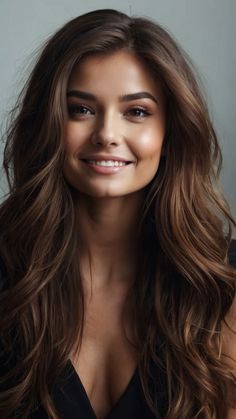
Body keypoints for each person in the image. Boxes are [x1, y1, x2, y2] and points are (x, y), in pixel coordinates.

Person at [0, 8, 235, 419]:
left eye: (137, 112)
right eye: (82, 109)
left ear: (171, 131)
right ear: (50, 124)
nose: (108, 133)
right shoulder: (8, 276)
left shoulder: (221, 285)